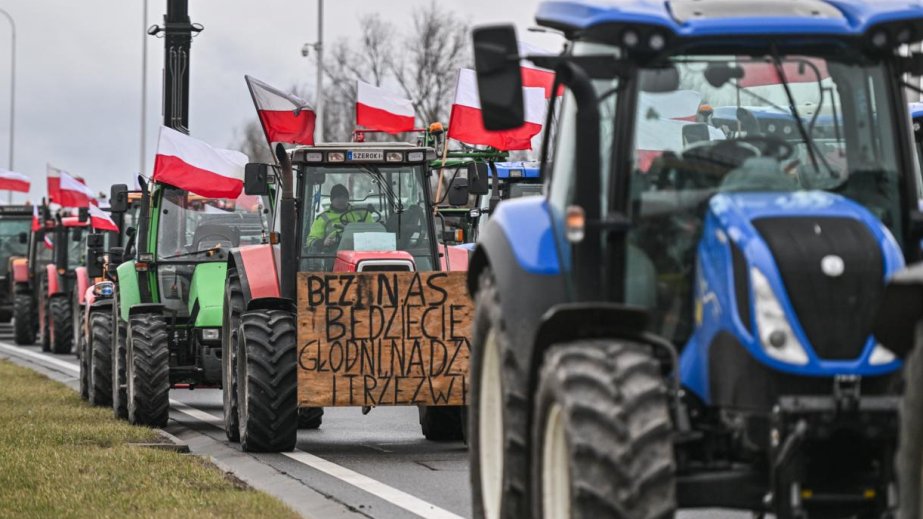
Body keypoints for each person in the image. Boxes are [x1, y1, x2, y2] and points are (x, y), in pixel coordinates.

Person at [307, 184, 374, 250]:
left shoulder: (360, 213)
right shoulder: (322, 218)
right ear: (332, 200)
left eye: (344, 197)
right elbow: (310, 241)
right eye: (338, 197)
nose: (342, 200)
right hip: (332, 254)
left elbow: (373, 230)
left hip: (359, 249)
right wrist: (323, 242)